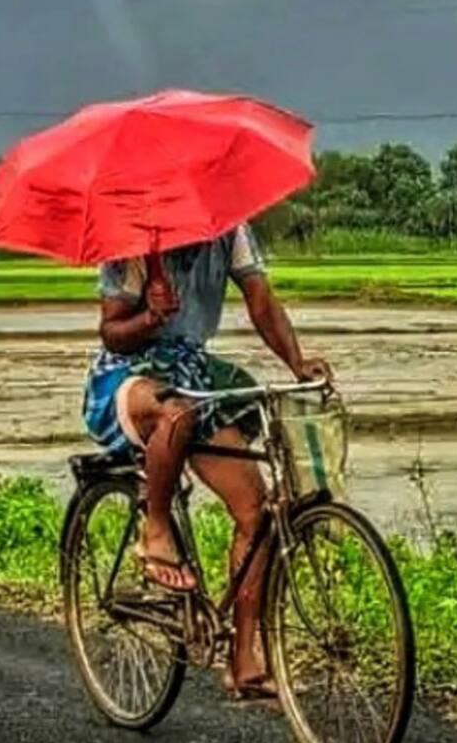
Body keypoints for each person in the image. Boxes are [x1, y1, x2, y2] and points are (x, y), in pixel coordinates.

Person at [81, 221, 329, 699]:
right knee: (174, 414)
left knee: (255, 513)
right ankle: (154, 528)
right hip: (129, 376)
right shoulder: (134, 243)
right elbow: (112, 333)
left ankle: (244, 660)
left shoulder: (230, 232)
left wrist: (296, 362)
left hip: (194, 371)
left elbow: (261, 300)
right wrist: (150, 318)